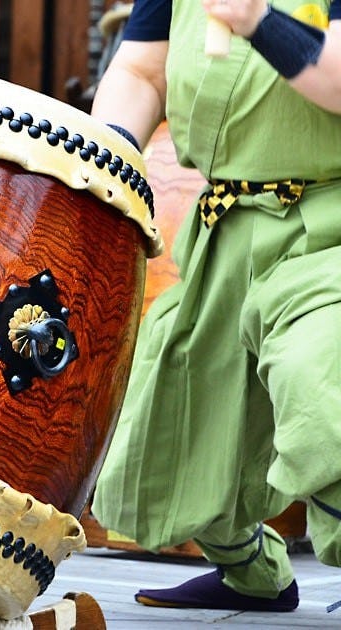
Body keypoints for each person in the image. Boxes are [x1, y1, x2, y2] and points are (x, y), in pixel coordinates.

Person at [89, 0, 341, 613]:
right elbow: (142, 73)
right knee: (182, 417)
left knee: (322, 388)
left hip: (327, 225)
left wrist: (259, 20)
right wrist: (110, 152)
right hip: (227, 225)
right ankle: (250, 574)